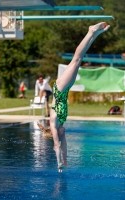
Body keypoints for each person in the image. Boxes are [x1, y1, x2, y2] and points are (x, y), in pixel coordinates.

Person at [38, 22, 110, 172]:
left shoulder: (54, 121)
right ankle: (95, 34)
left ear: (54, 132)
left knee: (76, 59)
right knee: (79, 59)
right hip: (65, 90)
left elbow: (56, 145)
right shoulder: (61, 126)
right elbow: (63, 145)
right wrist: (65, 160)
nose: (63, 135)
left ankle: (91, 31)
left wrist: (58, 164)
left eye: (58, 135)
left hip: (60, 88)